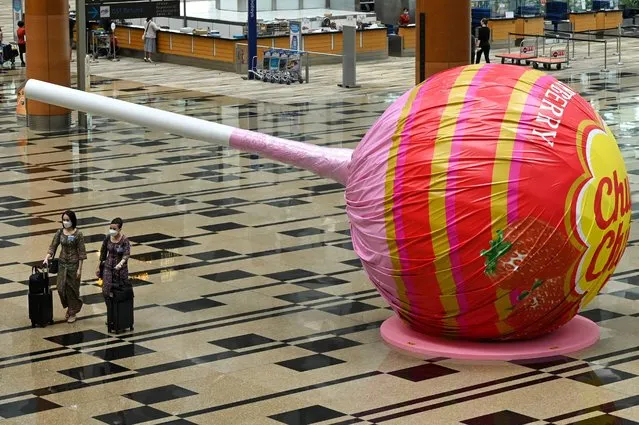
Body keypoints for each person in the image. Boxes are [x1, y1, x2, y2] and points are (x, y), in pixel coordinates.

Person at [44, 210, 87, 323]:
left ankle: (72, 312)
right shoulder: (60, 232)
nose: (65, 222)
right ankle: (73, 306)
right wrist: (47, 256)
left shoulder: (78, 234)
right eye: (64, 220)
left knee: (72, 289)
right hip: (62, 263)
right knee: (60, 287)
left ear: (72, 221)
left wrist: (80, 269)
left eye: (68, 220)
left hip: (74, 265)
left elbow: (82, 252)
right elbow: (53, 246)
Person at [96, 218, 131, 302]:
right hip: (108, 267)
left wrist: (121, 263)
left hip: (120, 270)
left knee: (119, 290)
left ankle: (118, 310)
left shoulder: (124, 240)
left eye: (114, 229)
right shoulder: (108, 238)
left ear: (120, 229)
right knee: (106, 290)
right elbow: (103, 252)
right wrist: (98, 266)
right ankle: (110, 307)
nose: (112, 230)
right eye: (111, 228)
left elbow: (126, 254)